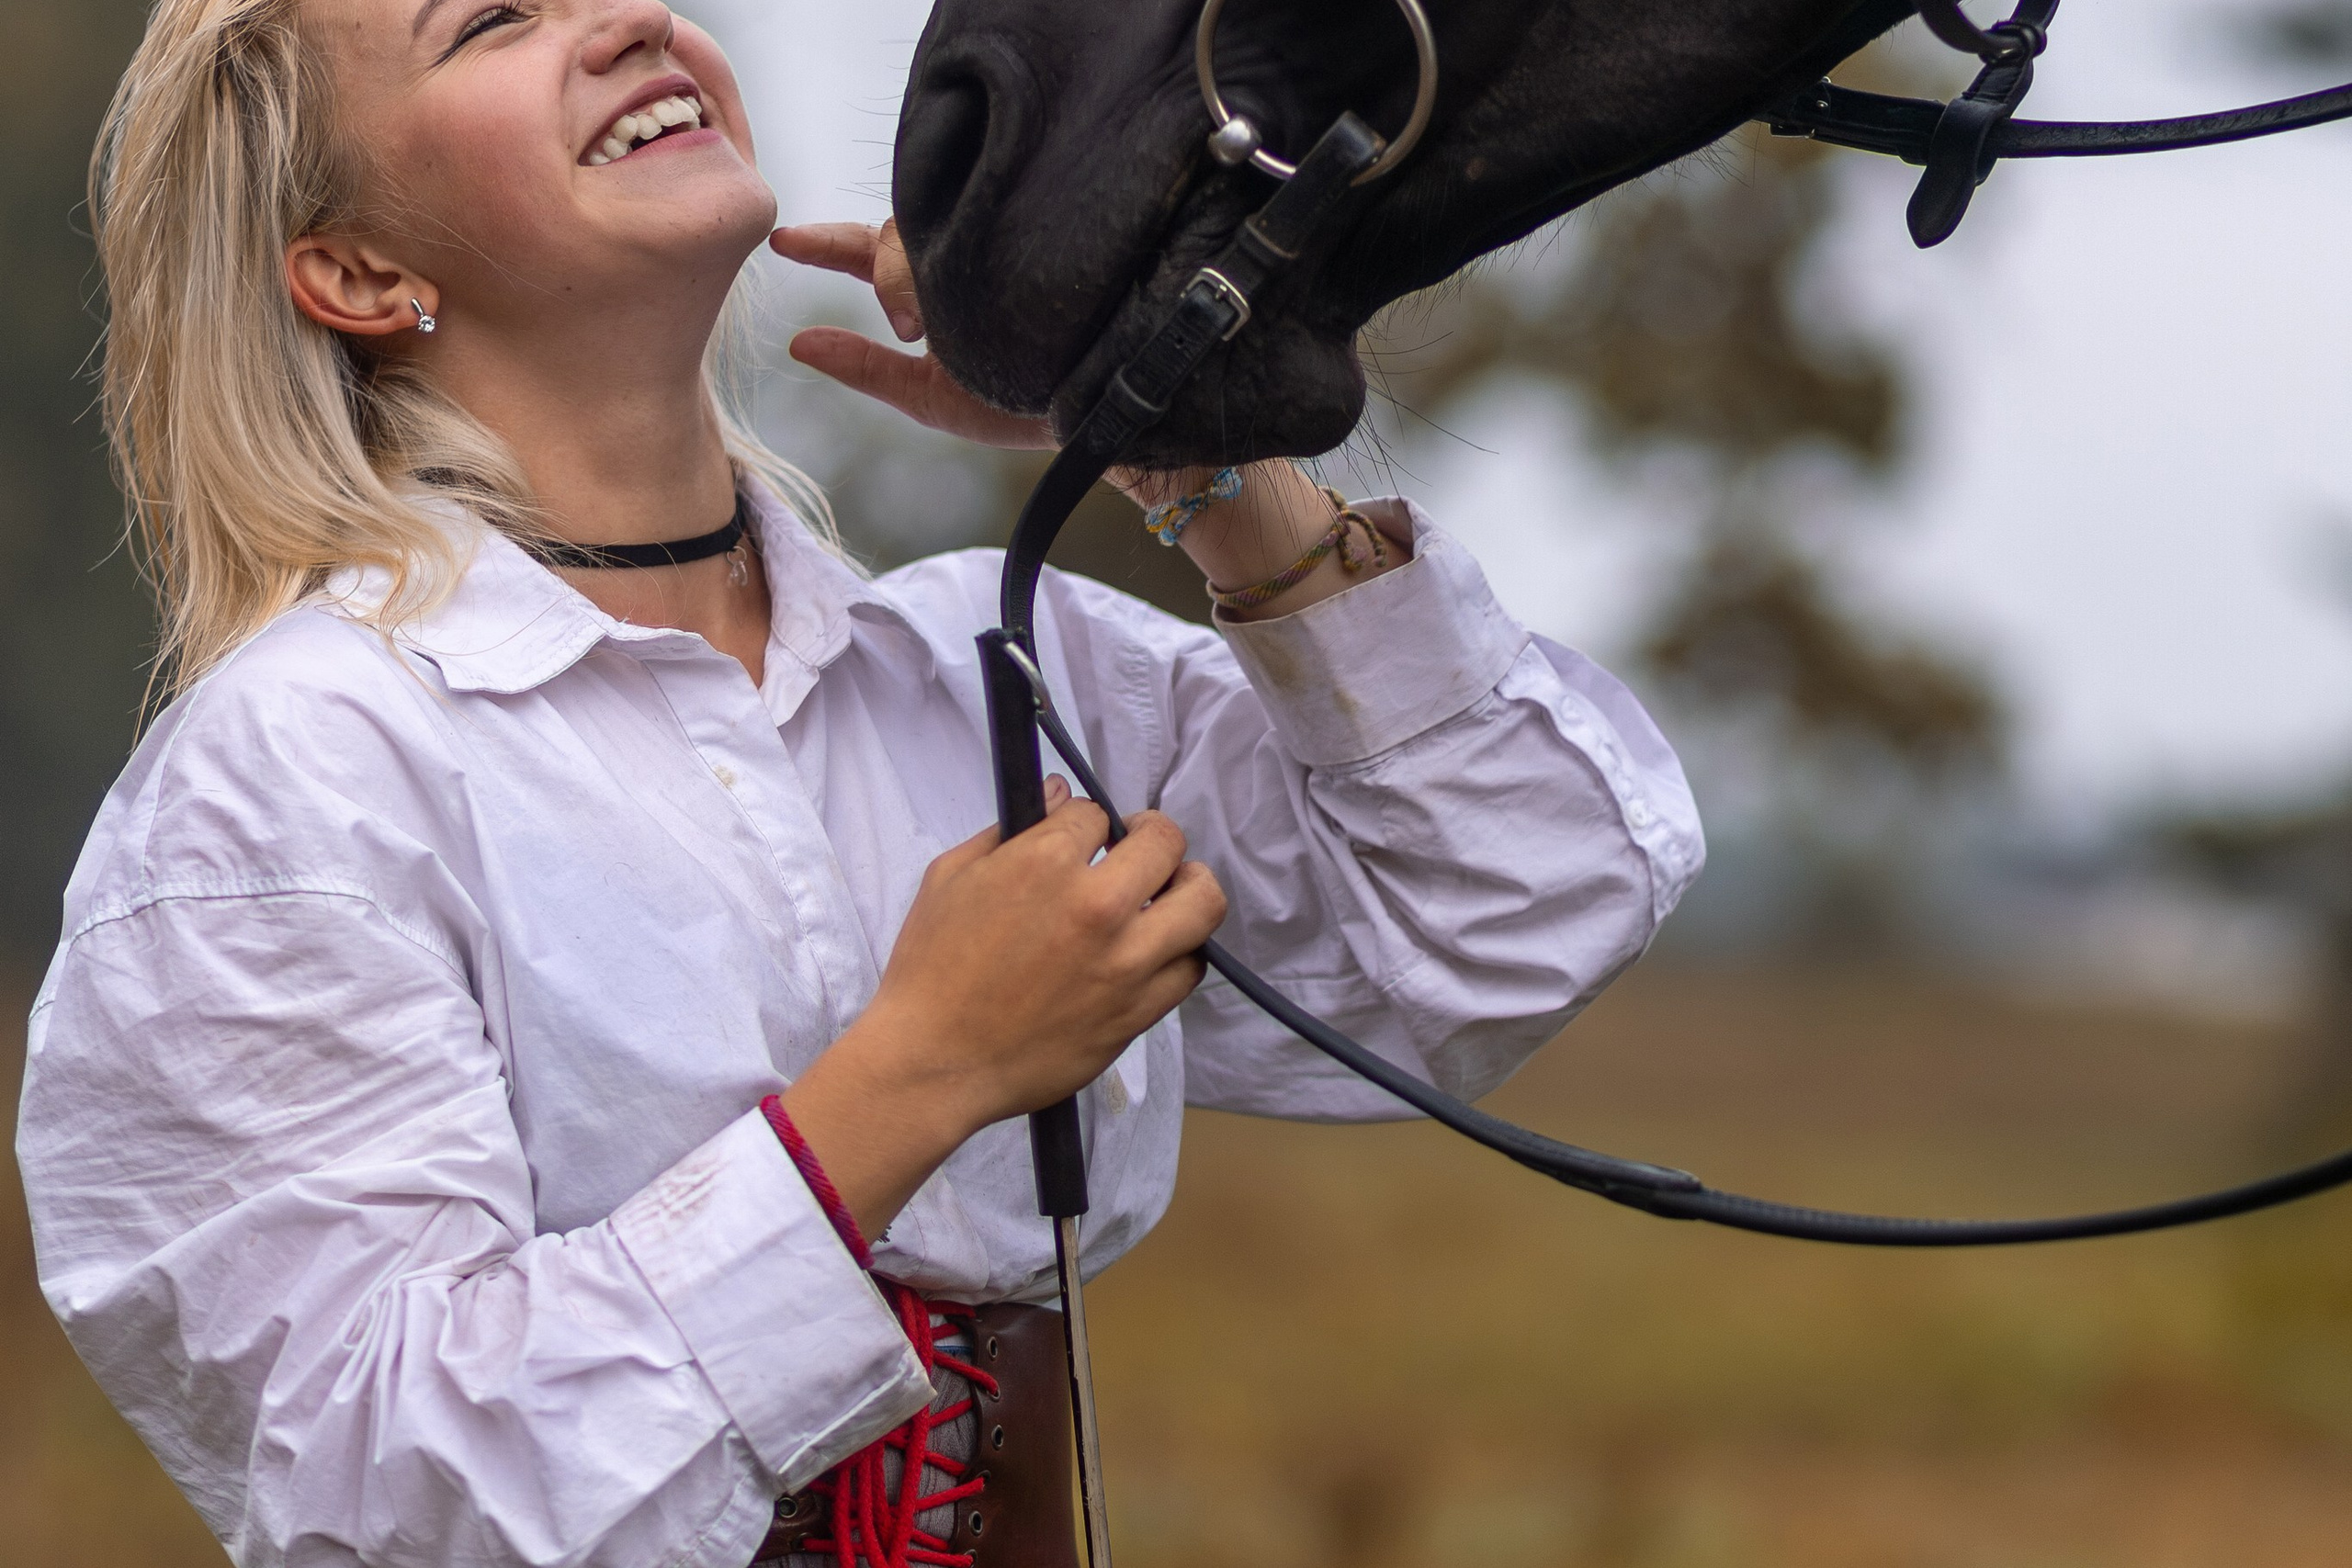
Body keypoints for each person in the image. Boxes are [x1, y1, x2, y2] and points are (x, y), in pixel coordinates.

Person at [15, 1, 1705, 1565]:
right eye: (492, 22)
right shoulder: (296, 774)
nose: (627, 20)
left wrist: (1193, 452)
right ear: (361, 272)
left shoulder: (980, 662)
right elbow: (387, 1500)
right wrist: (920, 1075)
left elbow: (1515, 906)